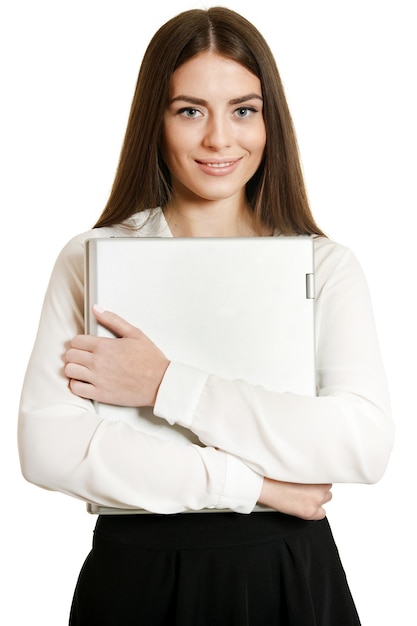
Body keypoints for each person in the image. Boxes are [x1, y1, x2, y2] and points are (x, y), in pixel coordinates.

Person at [18, 6, 394, 625]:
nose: (220, 138)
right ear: (155, 122)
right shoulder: (92, 259)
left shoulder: (326, 267)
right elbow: (50, 448)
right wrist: (260, 488)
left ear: (271, 121)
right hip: (136, 578)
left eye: (243, 110)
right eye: (190, 110)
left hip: (287, 576)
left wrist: (165, 384)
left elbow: (361, 446)